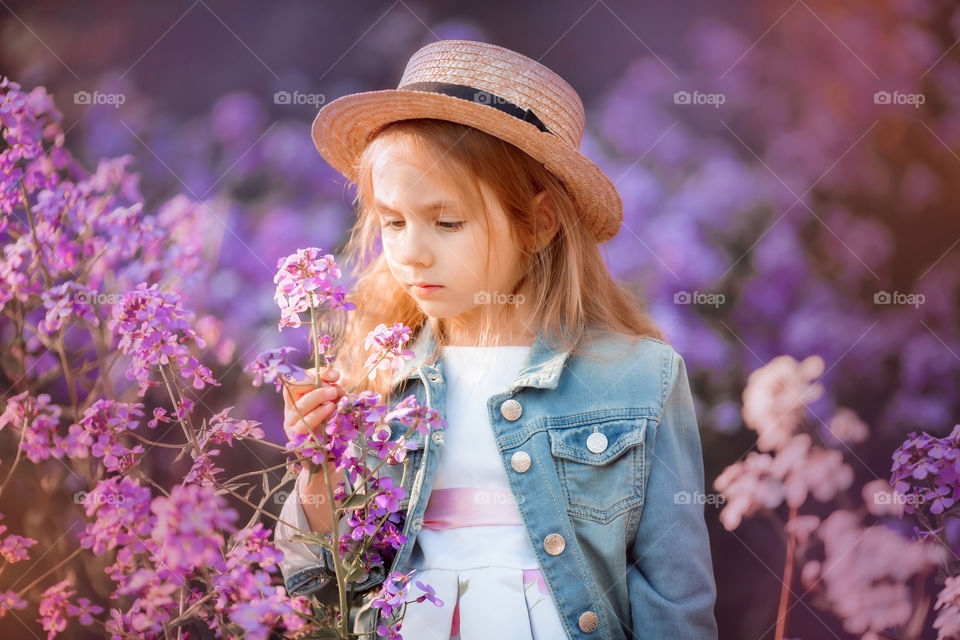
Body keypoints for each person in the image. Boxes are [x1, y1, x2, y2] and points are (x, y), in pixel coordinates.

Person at [275, 39, 718, 639]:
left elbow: (676, 598)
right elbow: (321, 588)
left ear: (537, 224)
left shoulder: (640, 378)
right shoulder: (377, 376)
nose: (411, 251)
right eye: (393, 222)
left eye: (447, 222)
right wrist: (317, 475)